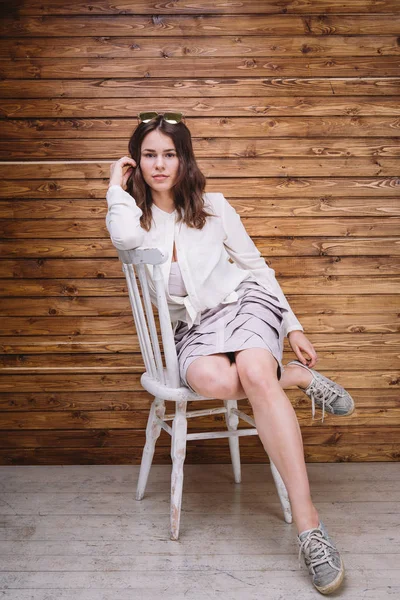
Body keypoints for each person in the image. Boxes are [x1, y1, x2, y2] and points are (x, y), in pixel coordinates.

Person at [105, 111, 354, 595]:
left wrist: (293, 325)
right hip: (194, 327)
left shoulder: (216, 207)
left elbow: (257, 268)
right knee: (214, 383)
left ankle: (310, 528)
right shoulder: (134, 217)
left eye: (169, 154)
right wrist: (115, 187)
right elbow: (124, 240)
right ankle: (297, 379)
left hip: (243, 303)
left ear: (184, 159)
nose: (159, 165)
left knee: (257, 373)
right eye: (149, 155)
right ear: (136, 161)